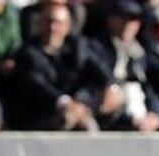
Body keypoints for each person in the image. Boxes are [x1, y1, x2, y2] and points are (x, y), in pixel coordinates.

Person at [9, 2, 114, 130]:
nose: (52, 28)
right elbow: (38, 86)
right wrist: (65, 103)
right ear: (39, 24)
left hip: (77, 107)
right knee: (72, 121)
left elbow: (99, 68)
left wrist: (111, 87)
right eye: (48, 22)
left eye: (58, 23)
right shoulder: (27, 53)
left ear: (67, 26)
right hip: (42, 115)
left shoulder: (78, 47)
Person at [89, 0, 159, 132]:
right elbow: (102, 80)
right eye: (122, 18)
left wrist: (156, 114)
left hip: (141, 119)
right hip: (110, 118)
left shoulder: (141, 51)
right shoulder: (96, 48)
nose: (127, 25)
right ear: (111, 19)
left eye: (133, 20)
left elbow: (152, 86)